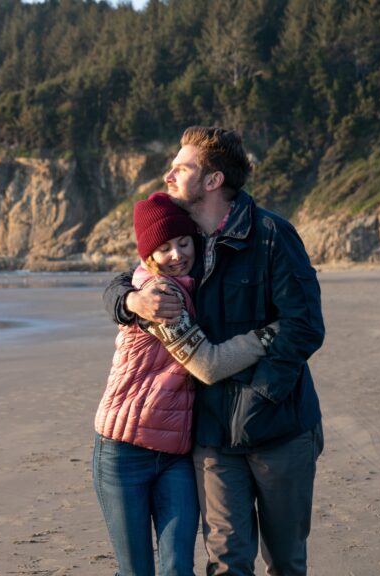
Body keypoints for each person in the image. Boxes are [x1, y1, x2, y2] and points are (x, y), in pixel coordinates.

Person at [104, 127, 324, 575]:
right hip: (213, 438)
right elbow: (131, 279)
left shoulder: (271, 234)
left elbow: (304, 328)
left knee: (286, 562)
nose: (168, 174)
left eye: (180, 167)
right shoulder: (184, 244)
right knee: (226, 562)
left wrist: (262, 398)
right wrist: (127, 301)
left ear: (212, 181)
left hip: (280, 430)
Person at [93, 192, 278, 576]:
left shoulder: (198, 285)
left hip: (176, 452)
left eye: (182, 242)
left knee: (178, 568)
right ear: (149, 257)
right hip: (124, 451)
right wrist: (269, 336)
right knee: (137, 571)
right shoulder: (160, 296)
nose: (177, 254)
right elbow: (208, 365)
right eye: (164, 249)